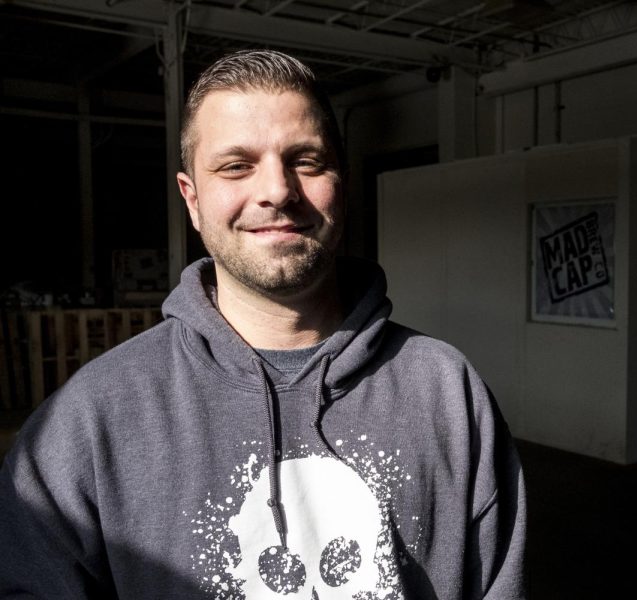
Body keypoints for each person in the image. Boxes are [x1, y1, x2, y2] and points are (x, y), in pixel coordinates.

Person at [0, 49, 526, 599]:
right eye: (236, 165)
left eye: (306, 159)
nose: (277, 190)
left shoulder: (445, 391)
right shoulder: (90, 420)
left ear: (340, 183)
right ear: (193, 198)